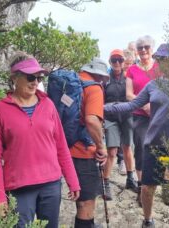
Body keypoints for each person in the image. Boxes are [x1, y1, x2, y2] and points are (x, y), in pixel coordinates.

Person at [0, 52, 80, 228]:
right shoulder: (0, 109)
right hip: (19, 187)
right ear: (15, 78)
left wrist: (72, 180)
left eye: (39, 77)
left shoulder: (48, 105)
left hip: (51, 184)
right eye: (30, 76)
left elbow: (60, 145)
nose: (35, 82)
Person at [105, 43, 169, 228]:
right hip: (155, 141)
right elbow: (131, 105)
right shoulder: (153, 85)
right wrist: (104, 109)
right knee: (148, 187)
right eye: (160, 59)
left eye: (166, 59)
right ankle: (148, 220)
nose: (162, 62)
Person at [71, 58, 109, 228]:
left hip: (65, 149)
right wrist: (101, 146)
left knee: (79, 197)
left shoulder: (72, 83)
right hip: (84, 152)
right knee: (86, 202)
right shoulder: (93, 87)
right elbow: (92, 120)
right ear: (100, 75)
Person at [125, 35, 159, 207]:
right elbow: (129, 94)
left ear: (152, 48)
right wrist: (145, 105)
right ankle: (141, 186)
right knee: (141, 149)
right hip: (140, 116)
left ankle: (158, 185)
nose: (143, 50)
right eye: (140, 48)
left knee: (161, 149)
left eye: (146, 47)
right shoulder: (132, 70)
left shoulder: (159, 67)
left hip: (160, 116)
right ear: (136, 51)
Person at [103, 49, 138, 201]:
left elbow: (135, 96)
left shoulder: (129, 77)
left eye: (120, 60)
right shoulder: (105, 79)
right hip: (110, 118)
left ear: (124, 62)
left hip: (127, 117)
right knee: (111, 151)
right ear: (110, 62)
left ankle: (130, 179)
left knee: (127, 148)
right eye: (114, 60)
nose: (117, 63)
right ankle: (105, 183)